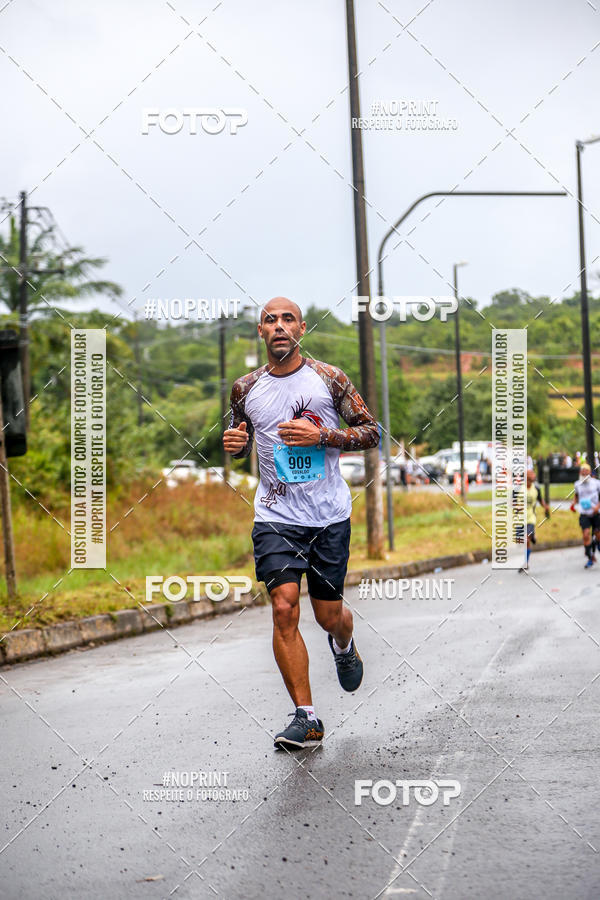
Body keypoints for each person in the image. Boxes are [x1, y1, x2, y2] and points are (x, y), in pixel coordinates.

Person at [223, 297, 378, 749]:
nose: (279, 326)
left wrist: (323, 435)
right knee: (284, 606)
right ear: (260, 331)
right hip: (275, 516)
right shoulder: (245, 388)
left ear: (302, 329)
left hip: (328, 516)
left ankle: (344, 645)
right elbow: (239, 434)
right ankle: (306, 717)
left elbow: (372, 431)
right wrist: (233, 443)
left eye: (287, 319)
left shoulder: (329, 379)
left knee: (328, 615)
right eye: (270, 320)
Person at [518, 470, 549, 572]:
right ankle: (533, 536)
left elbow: (541, 500)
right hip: (519, 518)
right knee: (522, 541)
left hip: (531, 517)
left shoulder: (536, 488)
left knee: (526, 539)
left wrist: (546, 507)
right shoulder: (518, 488)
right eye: (531, 474)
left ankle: (525, 563)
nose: (534, 476)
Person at [570, 462, 600, 568]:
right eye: (582, 471)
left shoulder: (596, 483)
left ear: (590, 472)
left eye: (586, 471)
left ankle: (597, 543)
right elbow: (577, 496)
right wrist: (573, 503)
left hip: (596, 512)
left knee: (598, 535)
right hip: (584, 513)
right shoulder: (577, 484)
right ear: (580, 473)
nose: (584, 473)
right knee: (586, 534)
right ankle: (590, 557)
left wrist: (597, 507)